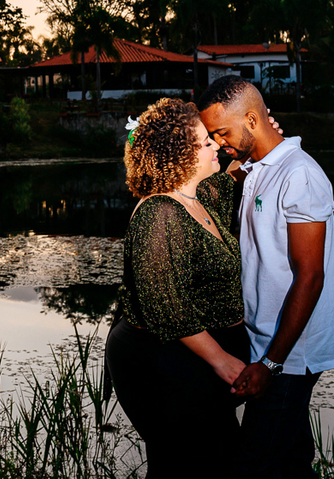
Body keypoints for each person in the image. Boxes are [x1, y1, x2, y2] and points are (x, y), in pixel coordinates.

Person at [197, 76, 334, 479]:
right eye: (211, 135)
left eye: (222, 132)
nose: (217, 142)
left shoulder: (299, 175)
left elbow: (310, 277)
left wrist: (271, 363)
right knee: (291, 459)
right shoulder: (255, 169)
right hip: (264, 342)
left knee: (251, 466)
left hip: (290, 354)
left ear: (252, 119)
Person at [105, 97, 249, 479]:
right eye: (205, 142)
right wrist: (223, 361)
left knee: (217, 457)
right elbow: (164, 306)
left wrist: (261, 138)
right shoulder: (159, 212)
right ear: (179, 156)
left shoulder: (200, 196)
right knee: (184, 462)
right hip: (158, 361)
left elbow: (234, 173)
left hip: (189, 358)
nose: (215, 145)